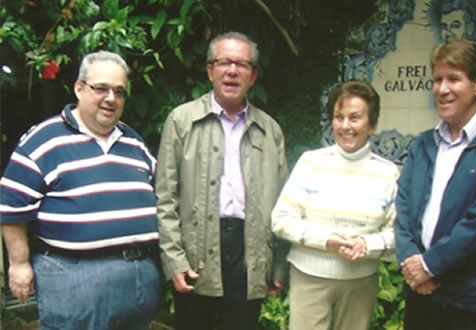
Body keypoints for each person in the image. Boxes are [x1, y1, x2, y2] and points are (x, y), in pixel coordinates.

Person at [0, 51, 161, 329]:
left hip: (138, 275)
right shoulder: (44, 140)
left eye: (120, 92)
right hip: (73, 277)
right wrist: (19, 264)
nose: (111, 98)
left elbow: (160, 195)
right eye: (101, 88)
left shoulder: (134, 142)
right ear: (79, 88)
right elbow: (11, 206)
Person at [156, 31, 289, 330]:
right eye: (224, 62)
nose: (232, 71)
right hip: (195, 252)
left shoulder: (270, 130)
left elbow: (284, 204)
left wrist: (278, 264)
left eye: (241, 64)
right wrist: (174, 261)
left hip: (250, 251)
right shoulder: (181, 121)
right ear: (210, 70)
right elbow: (165, 199)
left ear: (252, 76)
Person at [394, 39, 476, 330]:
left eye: (454, 79)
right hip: (421, 297)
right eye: (437, 79)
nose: (442, 89)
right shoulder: (423, 145)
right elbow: (404, 209)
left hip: (470, 303)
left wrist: (429, 266)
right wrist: (412, 263)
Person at [271, 80, 399, 330]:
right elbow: (281, 220)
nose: (346, 126)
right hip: (309, 277)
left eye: (355, 118)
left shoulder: (387, 172)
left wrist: (366, 245)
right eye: (339, 118)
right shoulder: (311, 163)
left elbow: (398, 233)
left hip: (361, 281)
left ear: (371, 125)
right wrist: (327, 240)